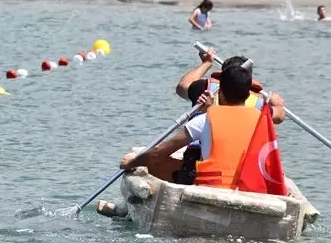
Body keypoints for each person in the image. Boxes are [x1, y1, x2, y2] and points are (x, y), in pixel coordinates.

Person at [117, 64, 284, 189]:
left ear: (221, 93)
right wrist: (277, 104)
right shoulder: (263, 121)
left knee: (145, 162)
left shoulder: (205, 119)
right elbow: (277, 117)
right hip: (249, 187)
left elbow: (159, 152)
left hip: (212, 188)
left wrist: (132, 163)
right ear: (248, 94)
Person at [174, 49, 285, 124]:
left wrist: (206, 63)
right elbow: (279, 116)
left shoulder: (205, 88)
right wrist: (277, 103)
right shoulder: (258, 103)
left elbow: (182, 87)